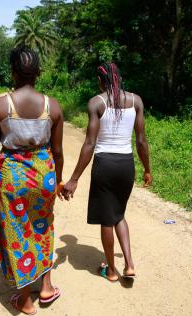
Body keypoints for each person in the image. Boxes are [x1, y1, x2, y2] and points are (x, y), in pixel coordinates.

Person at [0, 46, 65, 315]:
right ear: (38, 72)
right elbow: (59, 151)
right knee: (43, 226)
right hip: (45, 176)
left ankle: (25, 300)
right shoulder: (53, 106)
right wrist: (58, 181)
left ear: (13, 71)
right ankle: (47, 287)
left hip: (13, 176)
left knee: (18, 233)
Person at [63, 62, 152, 282]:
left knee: (107, 218)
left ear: (100, 81)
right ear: (119, 79)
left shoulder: (96, 102)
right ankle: (129, 264)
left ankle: (111, 270)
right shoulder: (136, 101)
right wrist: (147, 169)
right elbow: (141, 141)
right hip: (126, 165)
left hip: (104, 165)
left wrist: (74, 179)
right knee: (119, 213)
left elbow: (90, 143)